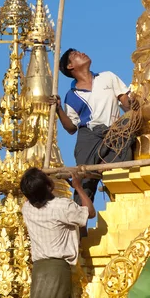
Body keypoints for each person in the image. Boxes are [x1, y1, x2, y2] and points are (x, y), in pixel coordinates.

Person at [20, 167, 95, 298]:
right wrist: (79, 187)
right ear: (49, 186)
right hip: (56, 269)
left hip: (40, 269)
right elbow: (89, 212)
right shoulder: (61, 207)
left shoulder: (27, 208)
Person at [51, 48, 133, 202]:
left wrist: (135, 100)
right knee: (85, 180)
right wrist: (58, 109)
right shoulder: (72, 95)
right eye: (75, 55)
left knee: (122, 168)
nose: (82, 53)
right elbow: (71, 128)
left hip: (114, 132)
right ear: (70, 67)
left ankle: (108, 177)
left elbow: (126, 104)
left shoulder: (107, 77)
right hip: (88, 136)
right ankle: (80, 222)